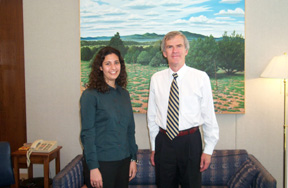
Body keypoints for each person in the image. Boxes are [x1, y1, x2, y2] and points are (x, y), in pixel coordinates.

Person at [147, 31, 219, 188]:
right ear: (164, 53)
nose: (174, 51)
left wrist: (208, 150)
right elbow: (152, 116)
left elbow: (209, 116)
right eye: (169, 47)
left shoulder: (201, 78)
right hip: (163, 142)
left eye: (179, 46)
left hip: (190, 142)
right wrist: (154, 147)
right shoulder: (156, 79)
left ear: (186, 50)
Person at [80, 46, 138, 188]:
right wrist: (93, 167)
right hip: (101, 163)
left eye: (116, 62)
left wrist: (133, 158)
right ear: (100, 67)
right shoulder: (90, 95)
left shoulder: (124, 94)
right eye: (107, 63)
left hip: (123, 162)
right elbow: (88, 134)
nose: (113, 67)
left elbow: (130, 130)